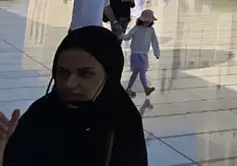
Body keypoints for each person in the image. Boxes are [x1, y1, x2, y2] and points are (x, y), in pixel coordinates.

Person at [0, 26, 148, 165]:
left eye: (85, 74)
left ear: (109, 76)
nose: (69, 84)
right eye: (63, 72)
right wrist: (5, 150)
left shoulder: (122, 125)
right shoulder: (41, 113)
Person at [122, 9, 160, 98]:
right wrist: (121, 35)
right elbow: (128, 37)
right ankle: (146, 88)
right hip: (135, 54)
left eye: (148, 21)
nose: (146, 22)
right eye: (145, 20)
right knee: (142, 71)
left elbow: (155, 42)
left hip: (144, 55)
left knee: (135, 73)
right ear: (141, 20)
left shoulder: (151, 30)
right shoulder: (136, 28)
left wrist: (156, 53)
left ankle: (128, 88)